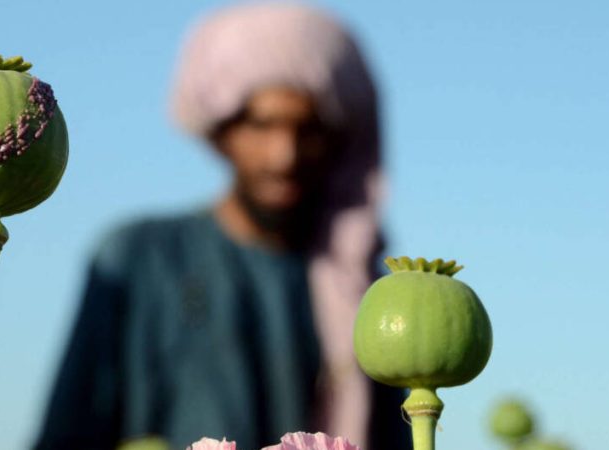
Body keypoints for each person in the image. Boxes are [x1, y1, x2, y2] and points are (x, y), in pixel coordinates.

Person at [34, 3, 411, 450]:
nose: (283, 155)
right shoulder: (136, 258)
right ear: (220, 131)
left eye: (307, 129)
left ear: (337, 139)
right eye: (260, 124)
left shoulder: (362, 292)